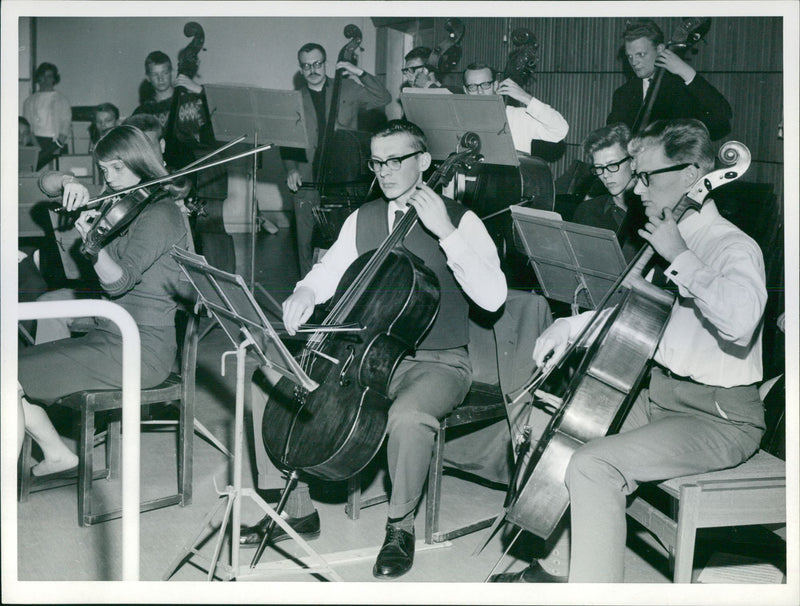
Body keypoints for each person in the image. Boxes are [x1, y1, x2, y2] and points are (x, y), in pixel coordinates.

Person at [491, 119, 767, 583]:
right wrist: (570, 323)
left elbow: (740, 325)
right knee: (558, 425)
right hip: (658, 397)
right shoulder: (667, 236)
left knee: (594, 463)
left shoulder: (731, 246)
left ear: (693, 173)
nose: (637, 189)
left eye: (647, 176)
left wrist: (681, 256)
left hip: (717, 417)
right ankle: (558, 567)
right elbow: (630, 304)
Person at [241, 120, 508, 579]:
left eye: (395, 160)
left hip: (437, 361)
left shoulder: (461, 219)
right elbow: (329, 271)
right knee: (270, 378)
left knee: (408, 416)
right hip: (362, 350)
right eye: (377, 162)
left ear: (424, 162)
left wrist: (446, 233)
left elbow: (493, 297)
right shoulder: (363, 217)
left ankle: (400, 526)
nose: (383, 171)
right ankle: (295, 507)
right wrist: (305, 292)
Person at [17, 125, 193, 475]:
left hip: (143, 350)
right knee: (13, 367)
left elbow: (120, 282)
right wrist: (69, 182)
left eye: (117, 168)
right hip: (108, 335)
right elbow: (40, 182)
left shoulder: (161, 214)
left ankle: (53, 453)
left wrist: (93, 246)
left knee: (11, 374)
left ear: (140, 163)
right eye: (104, 170)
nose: (108, 178)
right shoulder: (121, 197)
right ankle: (56, 453)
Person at [282, 42, 392, 276]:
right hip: (307, 177)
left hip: (343, 176)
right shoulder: (294, 98)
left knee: (344, 239)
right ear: (301, 70)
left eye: (318, 64)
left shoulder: (349, 88)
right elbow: (287, 141)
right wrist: (290, 169)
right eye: (307, 66)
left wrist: (358, 72)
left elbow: (383, 97)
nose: (313, 70)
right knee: (305, 243)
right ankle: (307, 290)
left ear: (326, 64)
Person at [607, 18, 732, 141]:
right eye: (630, 56)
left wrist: (686, 71)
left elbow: (723, 113)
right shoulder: (622, 95)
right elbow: (614, 141)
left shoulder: (682, 87)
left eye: (641, 54)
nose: (634, 62)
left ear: (660, 49)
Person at [572, 123, 645, 261]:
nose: (605, 175)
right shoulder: (586, 212)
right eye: (599, 167)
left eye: (612, 165)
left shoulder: (654, 211)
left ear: (633, 162)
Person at [132, 50, 214, 169]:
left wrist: (200, 91)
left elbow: (221, 110)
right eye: (155, 74)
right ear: (148, 78)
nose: (161, 79)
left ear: (172, 72)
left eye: (164, 73)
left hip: (199, 166)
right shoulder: (143, 112)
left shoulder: (192, 100)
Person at [463, 62, 568, 153]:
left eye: (485, 85)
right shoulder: (458, 121)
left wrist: (527, 98)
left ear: (495, 85)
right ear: (465, 91)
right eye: (472, 87)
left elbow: (560, 130)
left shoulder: (519, 117)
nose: (479, 92)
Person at [22, 62, 72, 169]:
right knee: (31, 168)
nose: (45, 79)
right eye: (42, 76)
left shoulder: (62, 100)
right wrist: (37, 147)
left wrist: (57, 146)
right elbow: (28, 127)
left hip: (55, 142)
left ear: (54, 79)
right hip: (35, 141)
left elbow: (65, 125)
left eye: (49, 76)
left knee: (45, 169)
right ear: (38, 78)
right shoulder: (29, 101)